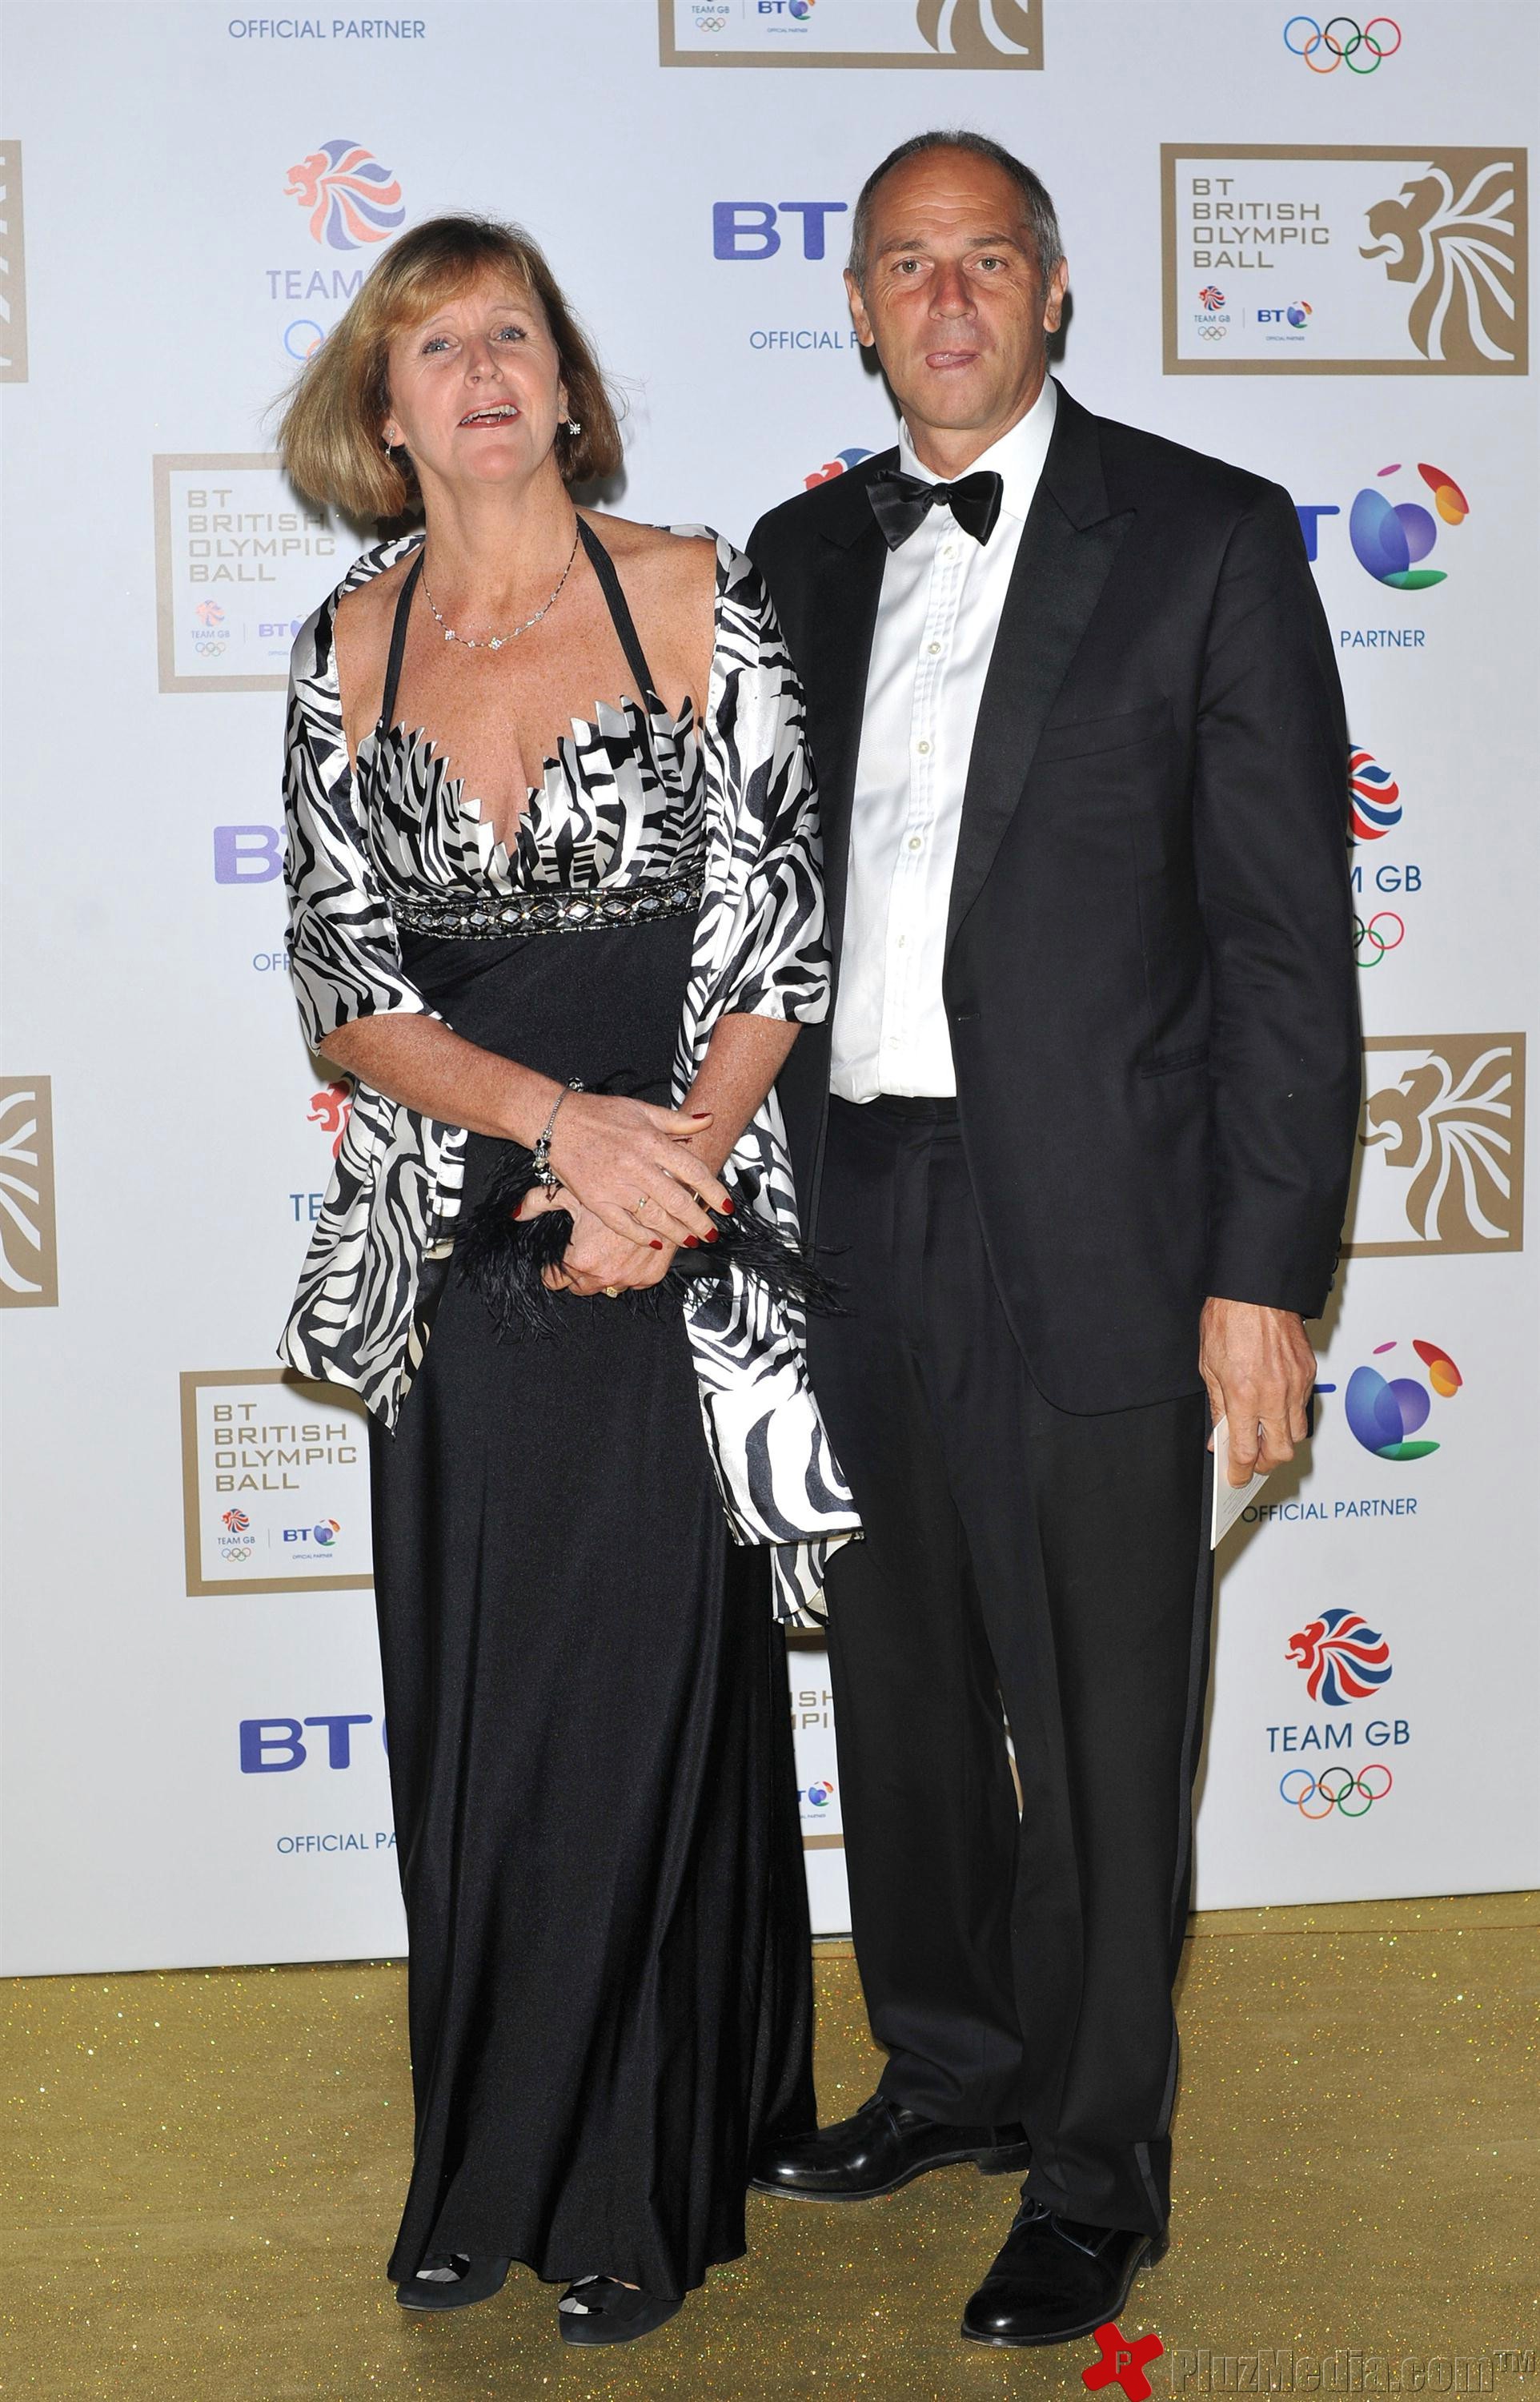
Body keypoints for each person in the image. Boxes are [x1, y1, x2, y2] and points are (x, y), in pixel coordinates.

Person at [747, 132, 1360, 2348]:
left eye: (979, 259)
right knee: (898, 1684)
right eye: (900, 263)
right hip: (858, 1209)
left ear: (1054, 286)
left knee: (1105, 1724)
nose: (943, 298)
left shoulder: (1200, 540)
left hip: (1106, 1227)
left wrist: (1261, 1266)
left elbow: (1288, 948)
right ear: (853, 304)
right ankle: (953, 2065)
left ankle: (1097, 2167)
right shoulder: (798, 559)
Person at [275, 213, 857, 2345]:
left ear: (565, 375)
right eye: (430, 346)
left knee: (632, 1691)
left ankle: (630, 2167)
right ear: (379, 408)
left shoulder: (701, 591)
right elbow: (344, 986)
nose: (479, 373)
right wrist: (554, 1132)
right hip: (460, 1217)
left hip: (674, 1220)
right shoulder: (346, 643)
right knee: (475, 1692)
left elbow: (785, 929)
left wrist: (665, 1165)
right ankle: (483, 2155)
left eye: (508, 333)